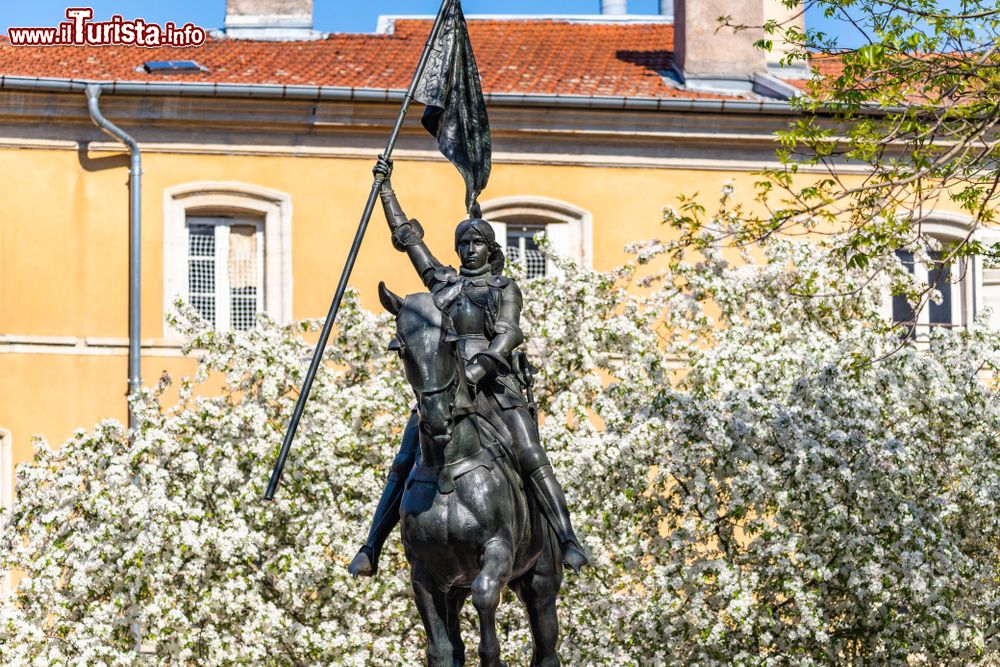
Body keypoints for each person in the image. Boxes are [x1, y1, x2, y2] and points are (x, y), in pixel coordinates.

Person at [347, 156, 589, 578]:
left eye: (476, 243)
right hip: (447, 388)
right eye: (462, 244)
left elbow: (508, 333)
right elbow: (408, 241)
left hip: (495, 386)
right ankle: (371, 546)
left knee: (530, 453)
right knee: (405, 459)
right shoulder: (444, 285)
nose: (468, 250)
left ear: (489, 248)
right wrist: (385, 191)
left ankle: (566, 537)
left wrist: (478, 372)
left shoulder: (502, 288)